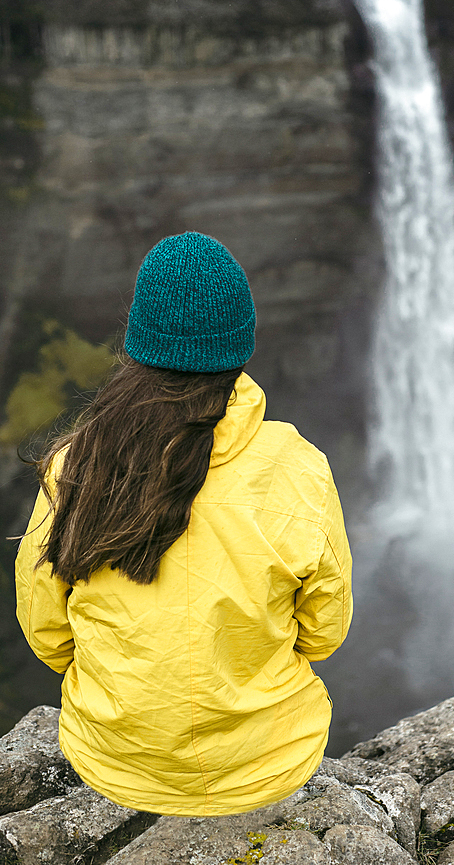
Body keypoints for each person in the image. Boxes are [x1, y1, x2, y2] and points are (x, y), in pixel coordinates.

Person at [15, 231, 353, 817]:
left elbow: (46, 628)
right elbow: (325, 631)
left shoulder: (77, 463)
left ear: (139, 343)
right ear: (239, 344)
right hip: (267, 764)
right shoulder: (298, 467)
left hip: (113, 759)